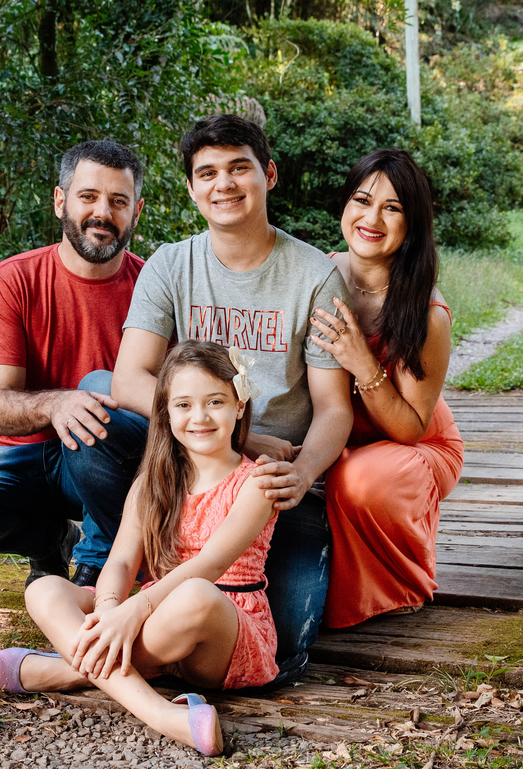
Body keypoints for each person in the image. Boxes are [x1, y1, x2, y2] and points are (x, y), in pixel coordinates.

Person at [106, 114, 353, 667]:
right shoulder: (171, 264)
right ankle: (112, 556)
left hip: (272, 487)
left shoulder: (313, 275)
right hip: (191, 468)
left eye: (240, 168)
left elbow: (335, 406)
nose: (225, 184)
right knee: (97, 400)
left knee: (284, 642)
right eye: (208, 173)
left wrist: (304, 471)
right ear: (192, 189)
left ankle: (117, 644)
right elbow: (129, 378)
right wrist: (239, 438)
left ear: (268, 174)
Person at [0, 340, 279, 756]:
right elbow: (122, 559)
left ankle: (65, 671)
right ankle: (163, 714)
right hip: (153, 618)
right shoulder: (152, 483)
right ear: (166, 413)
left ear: (240, 406)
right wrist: (108, 609)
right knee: (44, 588)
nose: (199, 417)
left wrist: (132, 611)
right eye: (183, 405)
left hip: (221, 627)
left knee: (195, 594)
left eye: (215, 401)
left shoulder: (256, 483)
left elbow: (210, 564)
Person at [0, 140, 149, 587]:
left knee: (100, 397)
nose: (103, 212)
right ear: (61, 201)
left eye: (119, 201)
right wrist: (57, 405)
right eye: (88, 196)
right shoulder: (13, 279)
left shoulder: (155, 287)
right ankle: (49, 538)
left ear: (136, 212)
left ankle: (101, 565)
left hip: (110, 465)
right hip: (25, 454)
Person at [307, 149, 465, 628]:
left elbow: (410, 428)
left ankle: (400, 584)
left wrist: (361, 362)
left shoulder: (426, 313)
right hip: (335, 433)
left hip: (412, 444)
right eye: (362, 200)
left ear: (411, 223)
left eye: (392, 208)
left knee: (360, 479)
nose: (371, 218)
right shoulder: (316, 273)